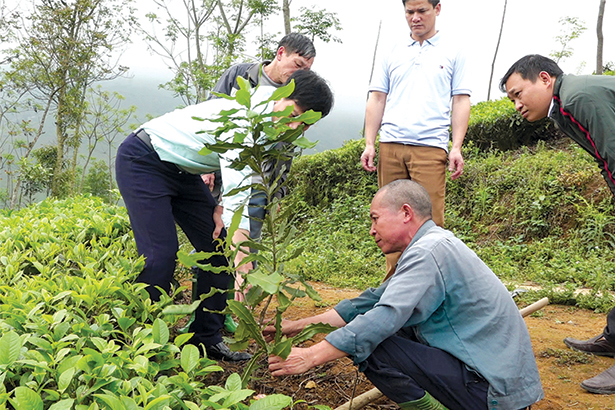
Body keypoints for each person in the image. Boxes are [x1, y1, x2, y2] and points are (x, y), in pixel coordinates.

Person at [267, 179, 544, 410]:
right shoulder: (433, 245)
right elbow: (368, 302)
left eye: (375, 219)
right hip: (498, 382)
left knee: (376, 342)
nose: (372, 230)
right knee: (373, 328)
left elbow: (385, 315)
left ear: (406, 213)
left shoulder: (427, 252)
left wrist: (311, 356)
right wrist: (300, 326)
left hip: (492, 393)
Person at [115, 70, 334, 362]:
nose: (294, 126)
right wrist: (245, 271)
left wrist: (218, 206)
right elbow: (239, 203)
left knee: (216, 248)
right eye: (293, 113)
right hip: (145, 159)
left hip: (185, 172)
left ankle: (206, 339)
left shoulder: (279, 128)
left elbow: (248, 181)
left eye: (304, 124)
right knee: (160, 255)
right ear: (281, 95)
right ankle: (135, 344)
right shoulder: (245, 120)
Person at [500, 54, 615, 395]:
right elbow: (610, 159)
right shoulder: (567, 105)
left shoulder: (579, 97)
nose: (516, 105)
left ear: (544, 78)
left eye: (518, 94)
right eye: (511, 100)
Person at [359, 0, 471, 279]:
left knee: (430, 221)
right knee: (389, 220)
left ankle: (430, 285)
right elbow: (377, 97)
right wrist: (370, 142)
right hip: (391, 145)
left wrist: (456, 146)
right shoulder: (392, 50)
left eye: (422, 11)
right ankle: (393, 287)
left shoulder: (454, 50)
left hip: (431, 147)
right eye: (410, 12)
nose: (416, 18)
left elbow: (460, 100)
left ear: (438, 9)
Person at [205, 33, 317, 273]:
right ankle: (209, 308)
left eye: (306, 70)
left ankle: (239, 303)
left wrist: (277, 191)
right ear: (280, 53)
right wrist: (208, 169)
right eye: (298, 65)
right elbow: (210, 117)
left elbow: (287, 148)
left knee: (246, 250)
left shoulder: (296, 95)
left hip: (258, 181)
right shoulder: (240, 76)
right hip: (224, 171)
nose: (299, 73)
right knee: (210, 243)